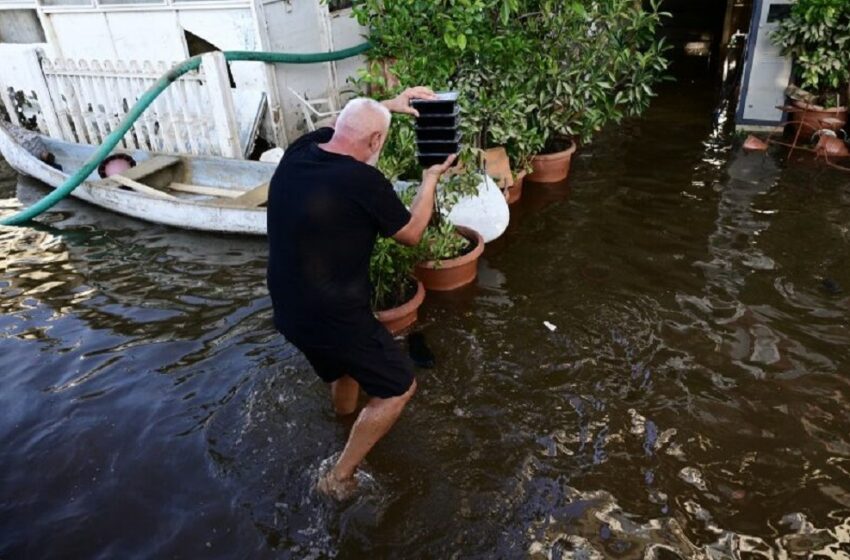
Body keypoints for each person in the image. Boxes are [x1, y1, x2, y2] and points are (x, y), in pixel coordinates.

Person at [266, 87, 457, 499]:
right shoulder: (362, 181)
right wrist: (431, 178)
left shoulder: (299, 152)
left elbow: (337, 125)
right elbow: (411, 233)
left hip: (288, 306)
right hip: (332, 315)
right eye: (379, 141)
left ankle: (342, 421)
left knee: (345, 368)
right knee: (397, 387)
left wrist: (385, 106)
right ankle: (339, 476)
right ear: (374, 142)